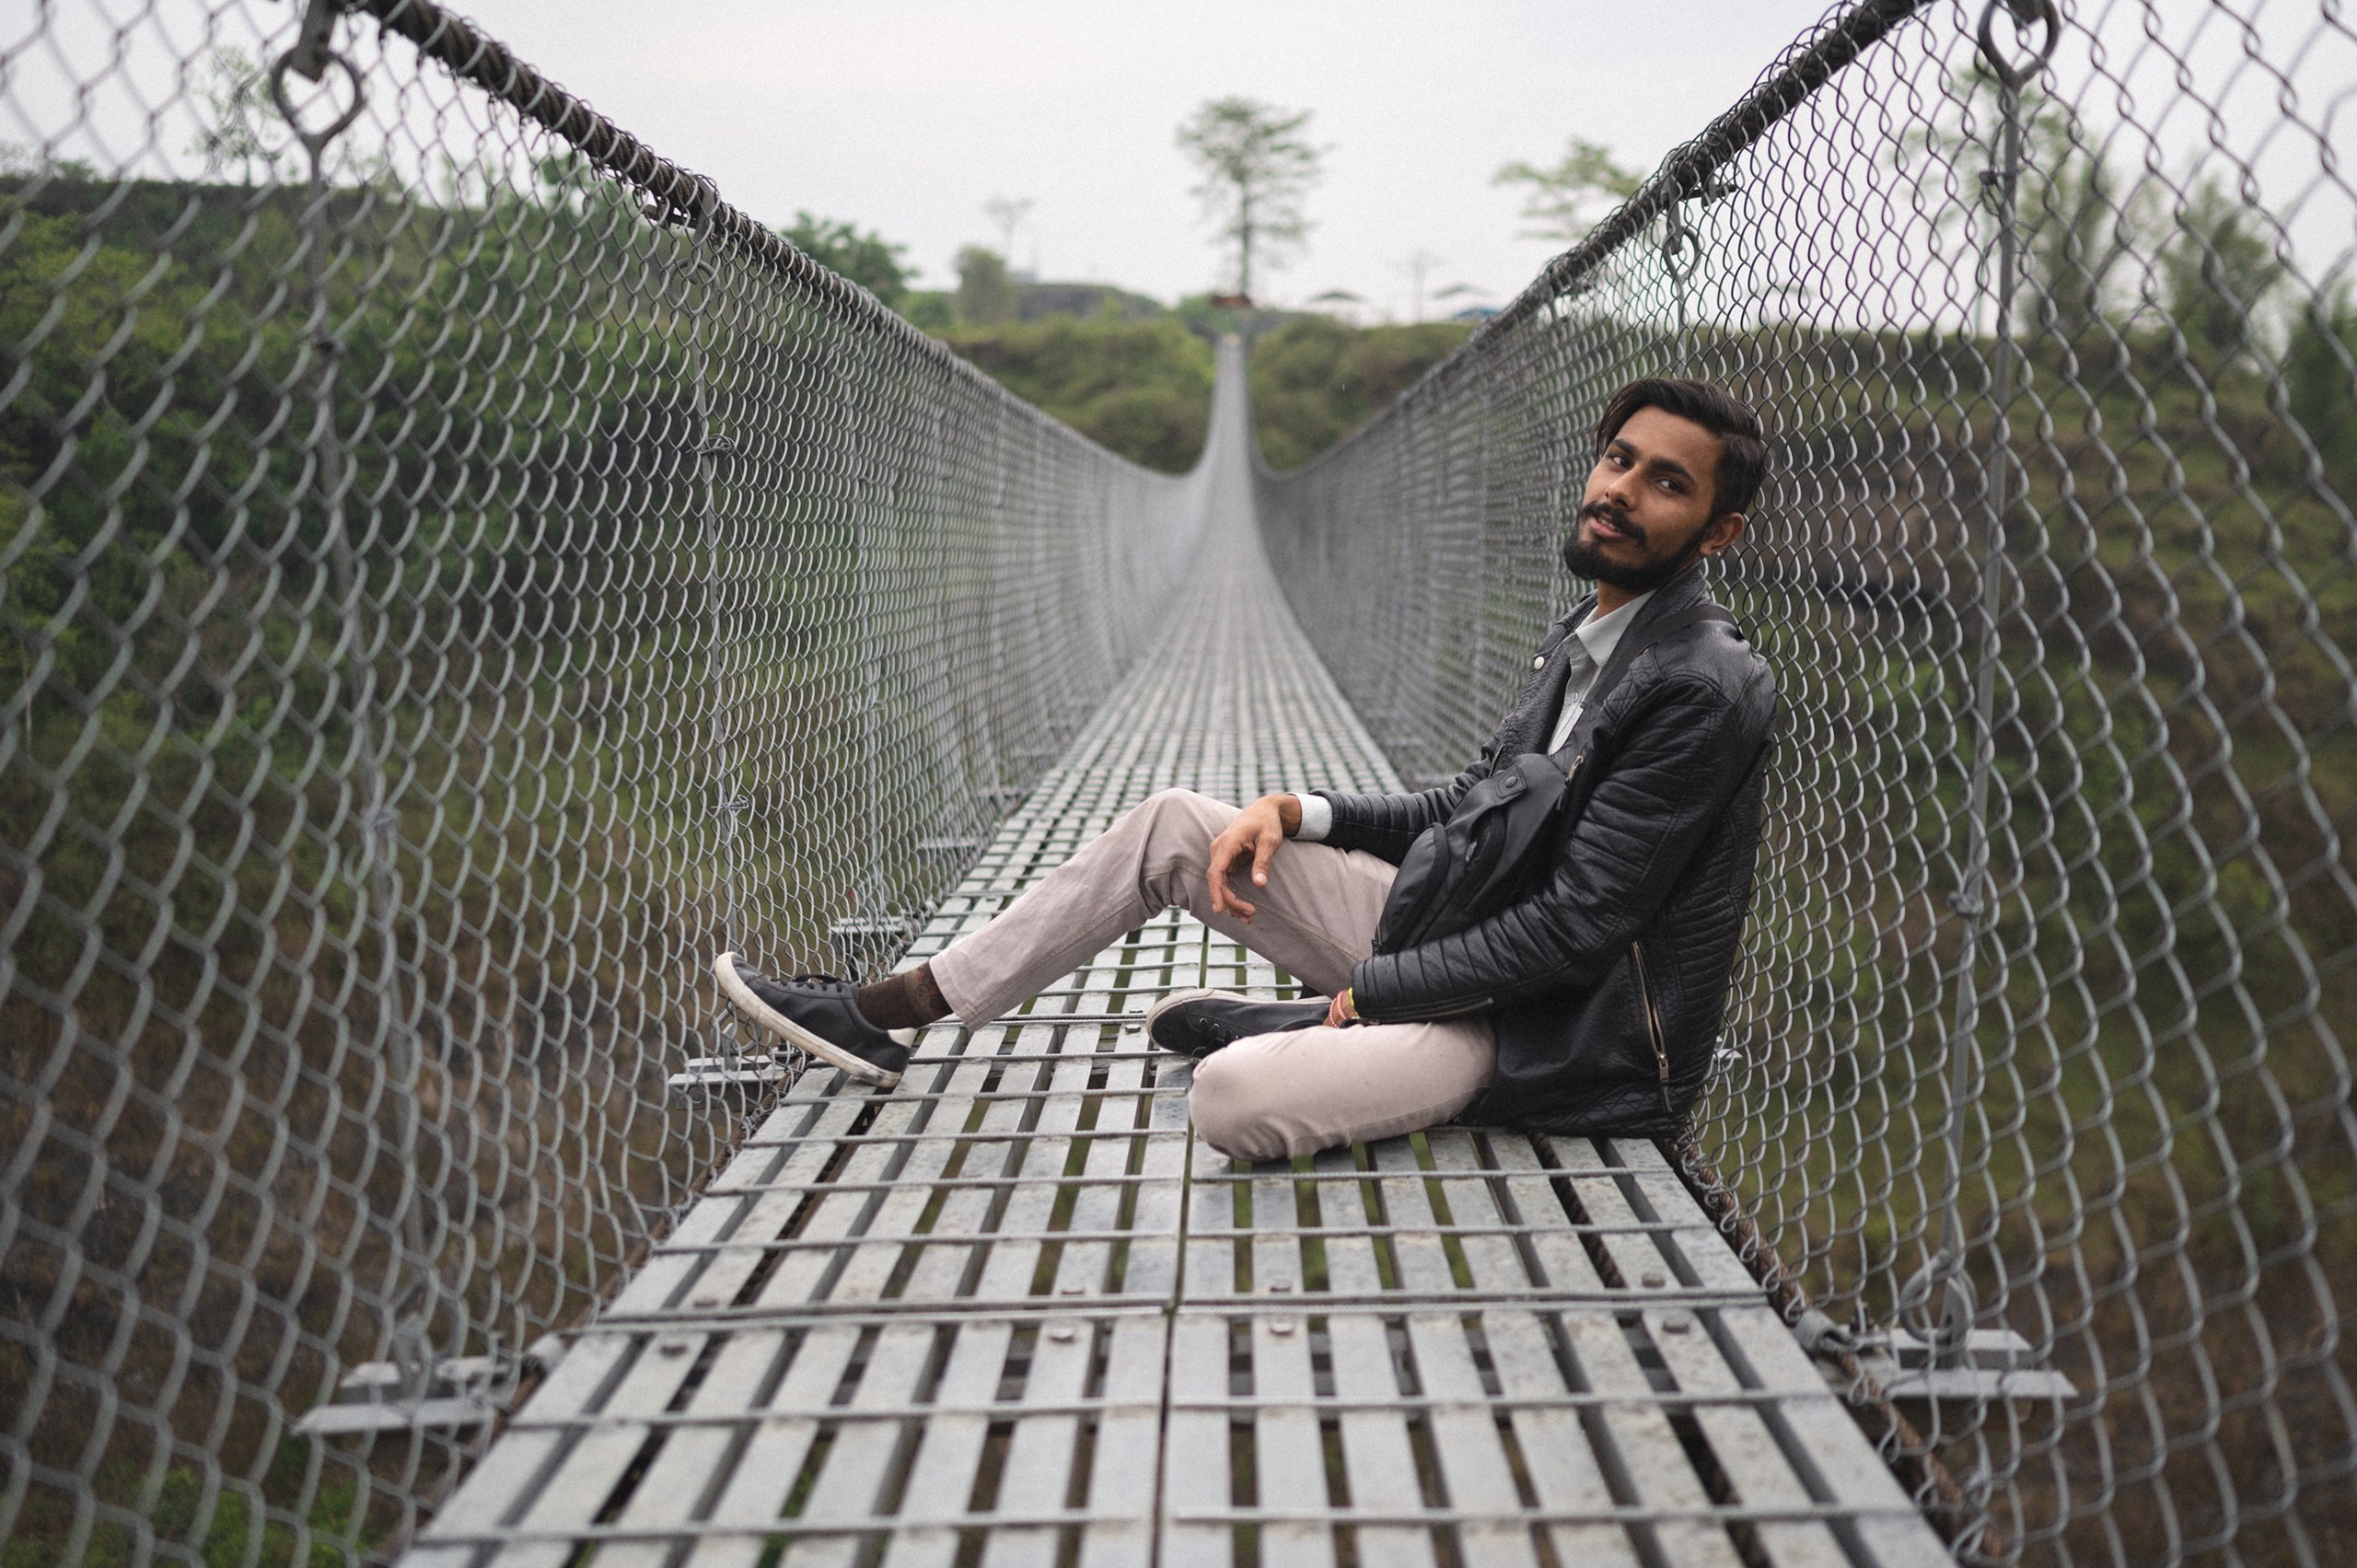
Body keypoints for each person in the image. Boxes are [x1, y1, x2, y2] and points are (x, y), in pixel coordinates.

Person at [715, 377, 1779, 1161]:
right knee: (1181, 822)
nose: (1621, 490)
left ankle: (1302, 1028)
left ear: (1718, 530)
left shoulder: (1697, 686)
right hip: (1454, 945)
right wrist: (1299, 810)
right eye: (1617, 460)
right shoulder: (1590, 636)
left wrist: (1373, 990)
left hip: (1542, 1034)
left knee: (1226, 1100)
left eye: (1666, 483)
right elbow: (1470, 803)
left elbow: (1576, 931)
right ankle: (888, 1007)